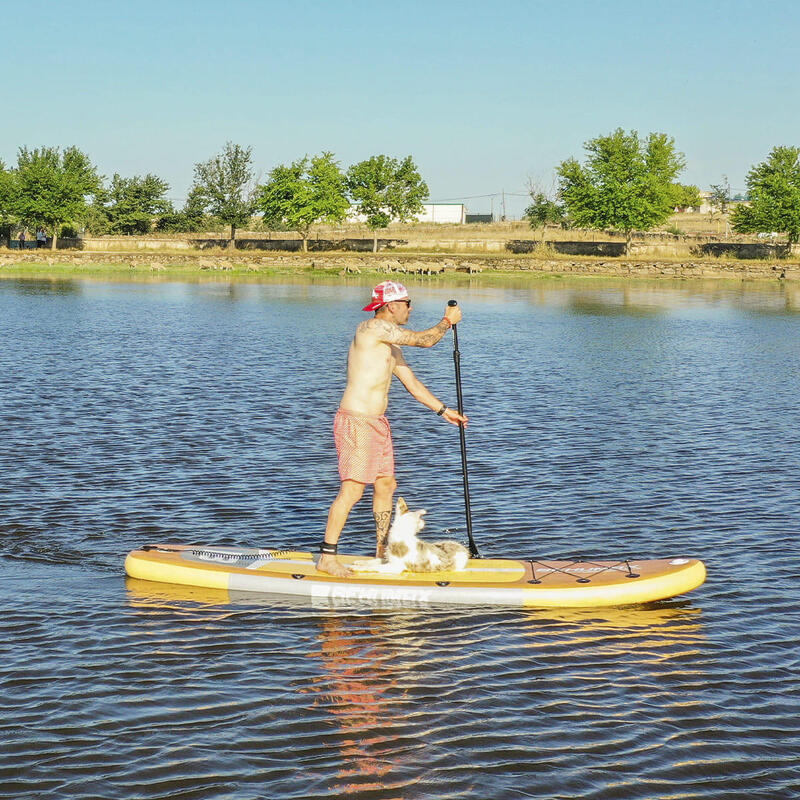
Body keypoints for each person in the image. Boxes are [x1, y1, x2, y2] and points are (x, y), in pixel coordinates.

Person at [318, 281, 467, 577]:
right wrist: (447, 321)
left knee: (387, 485)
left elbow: (411, 382)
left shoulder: (390, 343)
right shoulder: (371, 329)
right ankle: (327, 557)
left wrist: (443, 410)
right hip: (357, 422)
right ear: (391, 306)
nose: (411, 308)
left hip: (378, 424)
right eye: (407, 303)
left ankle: (383, 552)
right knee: (353, 490)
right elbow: (425, 340)